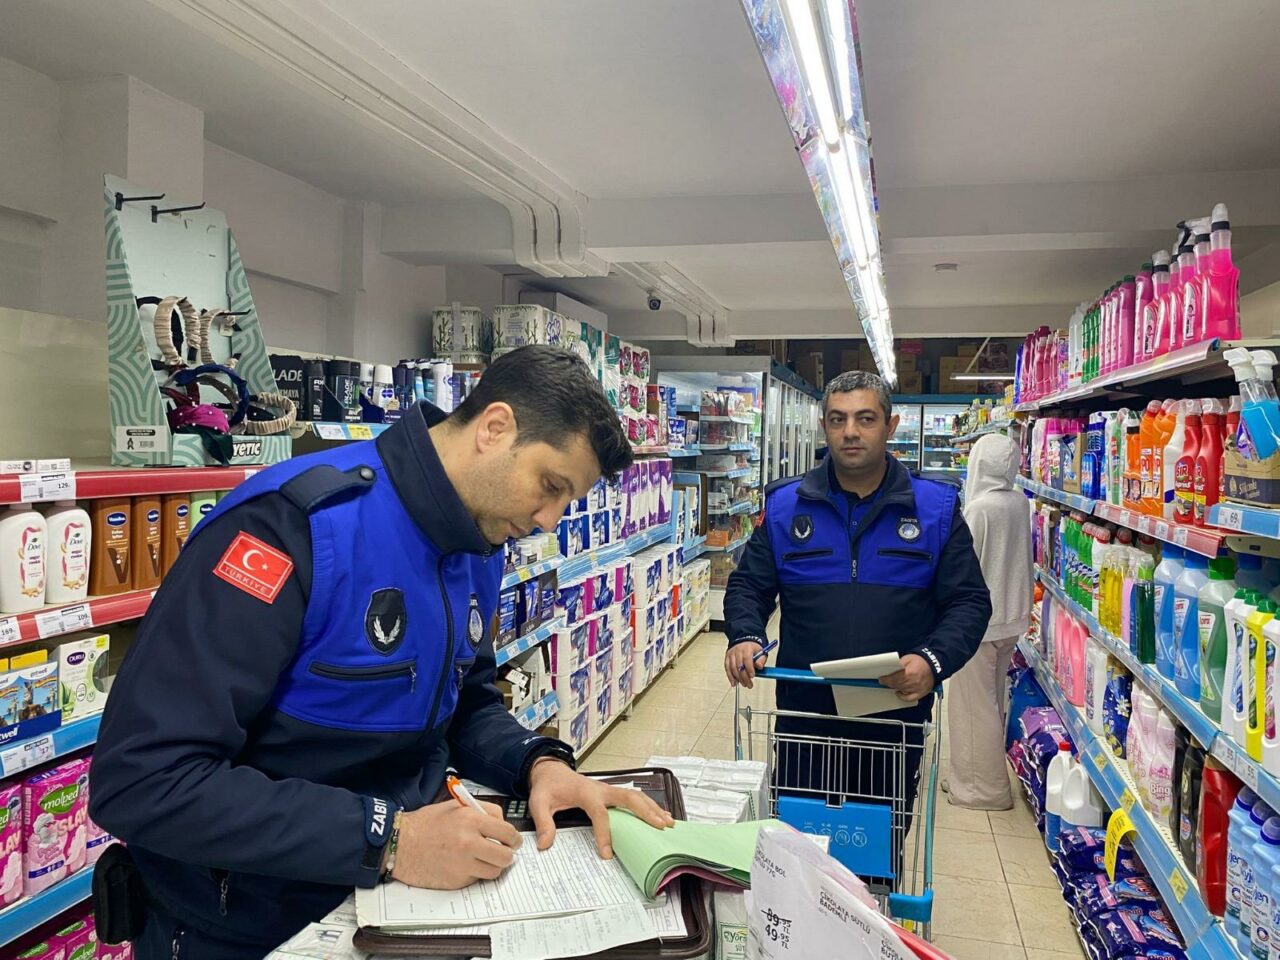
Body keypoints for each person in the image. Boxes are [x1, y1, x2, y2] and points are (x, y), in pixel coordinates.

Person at [89, 346, 673, 959]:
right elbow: (142, 779)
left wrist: (538, 765)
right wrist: (391, 839)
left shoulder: (478, 542)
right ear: (495, 428)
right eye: (550, 486)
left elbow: (466, 702)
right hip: (244, 926)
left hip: (394, 907)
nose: (550, 520)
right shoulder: (291, 528)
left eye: (566, 502)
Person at [722, 370, 990, 877]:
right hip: (804, 720)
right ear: (823, 425)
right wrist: (746, 635)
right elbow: (749, 586)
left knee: (874, 857)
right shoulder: (785, 507)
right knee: (797, 851)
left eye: (865, 419)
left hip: (892, 721)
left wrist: (932, 661)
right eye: (838, 419)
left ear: (890, 426)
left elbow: (969, 603)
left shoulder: (935, 510)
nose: (850, 432)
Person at [945, 432, 1032, 810]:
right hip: (1011, 617)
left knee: (970, 708)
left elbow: (965, 564)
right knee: (992, 700)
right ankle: (971, 776)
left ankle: (981, 790)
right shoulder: (1019, 502)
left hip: (979, 623)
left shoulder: (980, 509)